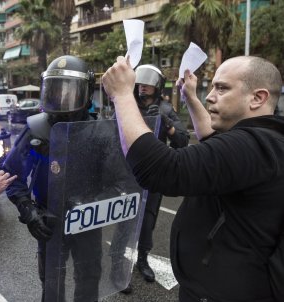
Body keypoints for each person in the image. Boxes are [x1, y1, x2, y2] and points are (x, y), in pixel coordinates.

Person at [102, 55, 284, 302]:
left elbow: (161, 170)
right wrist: (189, 96)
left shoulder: (253, 144)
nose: (210, 96)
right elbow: (210, 138)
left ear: (258, 98)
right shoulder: (264, 140)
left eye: (222, 88)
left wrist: (122, 95)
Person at [3, 55, 101, 302]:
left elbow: (118, 177)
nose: (61, 98)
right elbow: (12, 175)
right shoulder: (37, 128)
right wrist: (29, 212)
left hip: (87, 220)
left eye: (69, 91)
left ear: (86, 93)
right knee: (52, 284)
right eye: (56, 90)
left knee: (89, 280)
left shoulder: (99, 131)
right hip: (50, 220)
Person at [130, 64, 189, 285]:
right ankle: (118, 265)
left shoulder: (165, 108)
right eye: (140, 82)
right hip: (128, 173)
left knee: (148, 220)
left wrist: (166, 124)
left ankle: (143, 260)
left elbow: (182, 141)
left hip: (154, 174)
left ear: (156, 85)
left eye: (147, 82)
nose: (143, 86)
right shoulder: (129, 106)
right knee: (125, 219)